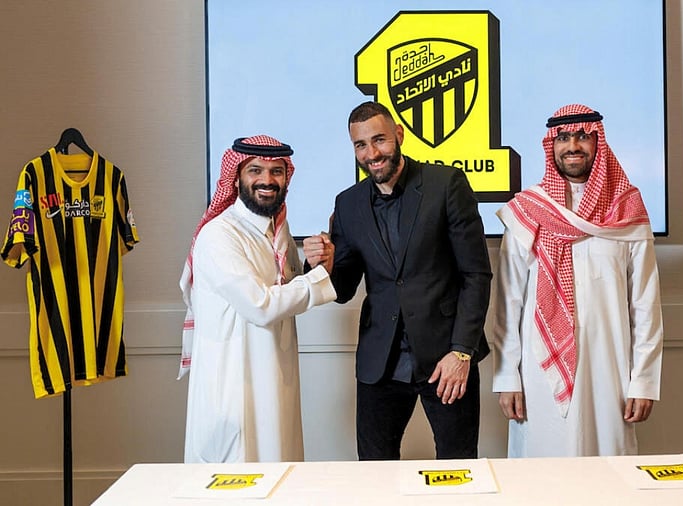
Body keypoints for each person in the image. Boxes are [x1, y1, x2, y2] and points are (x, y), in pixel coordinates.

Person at [303, 101, 492, 460]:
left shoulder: (446, 184)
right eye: (361, 145)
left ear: (399, 136)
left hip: (446, 359)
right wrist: (323, 265)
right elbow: (343, 290)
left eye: (379, 140)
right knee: (374, 475)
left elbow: (476, 274)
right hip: (380, 364)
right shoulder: (348, 204)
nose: (372, 153)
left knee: (458, 470)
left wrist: (462, 351)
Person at [492, 104, 663, 457]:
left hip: (610, 371)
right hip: (539, 374)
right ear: (551, 144)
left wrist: (643, 380)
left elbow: (645, 303)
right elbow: (508, 302)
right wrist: (507, 375)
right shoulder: (528, 211)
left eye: (583, 136)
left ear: (597, 141)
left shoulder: (628, 209)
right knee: (542, 471)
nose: (573, 145)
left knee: (610, 477)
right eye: (564, 137)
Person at [179, 135, 336, 463]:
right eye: (255, 170)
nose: (267, 180)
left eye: (277, 172)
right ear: (236, 177)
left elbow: (287, 286)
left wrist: (315, 263)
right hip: (234, 391)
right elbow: (261, 306)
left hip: (276, 385)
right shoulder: (220, 235)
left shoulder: (276, 230)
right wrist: (319, 280)